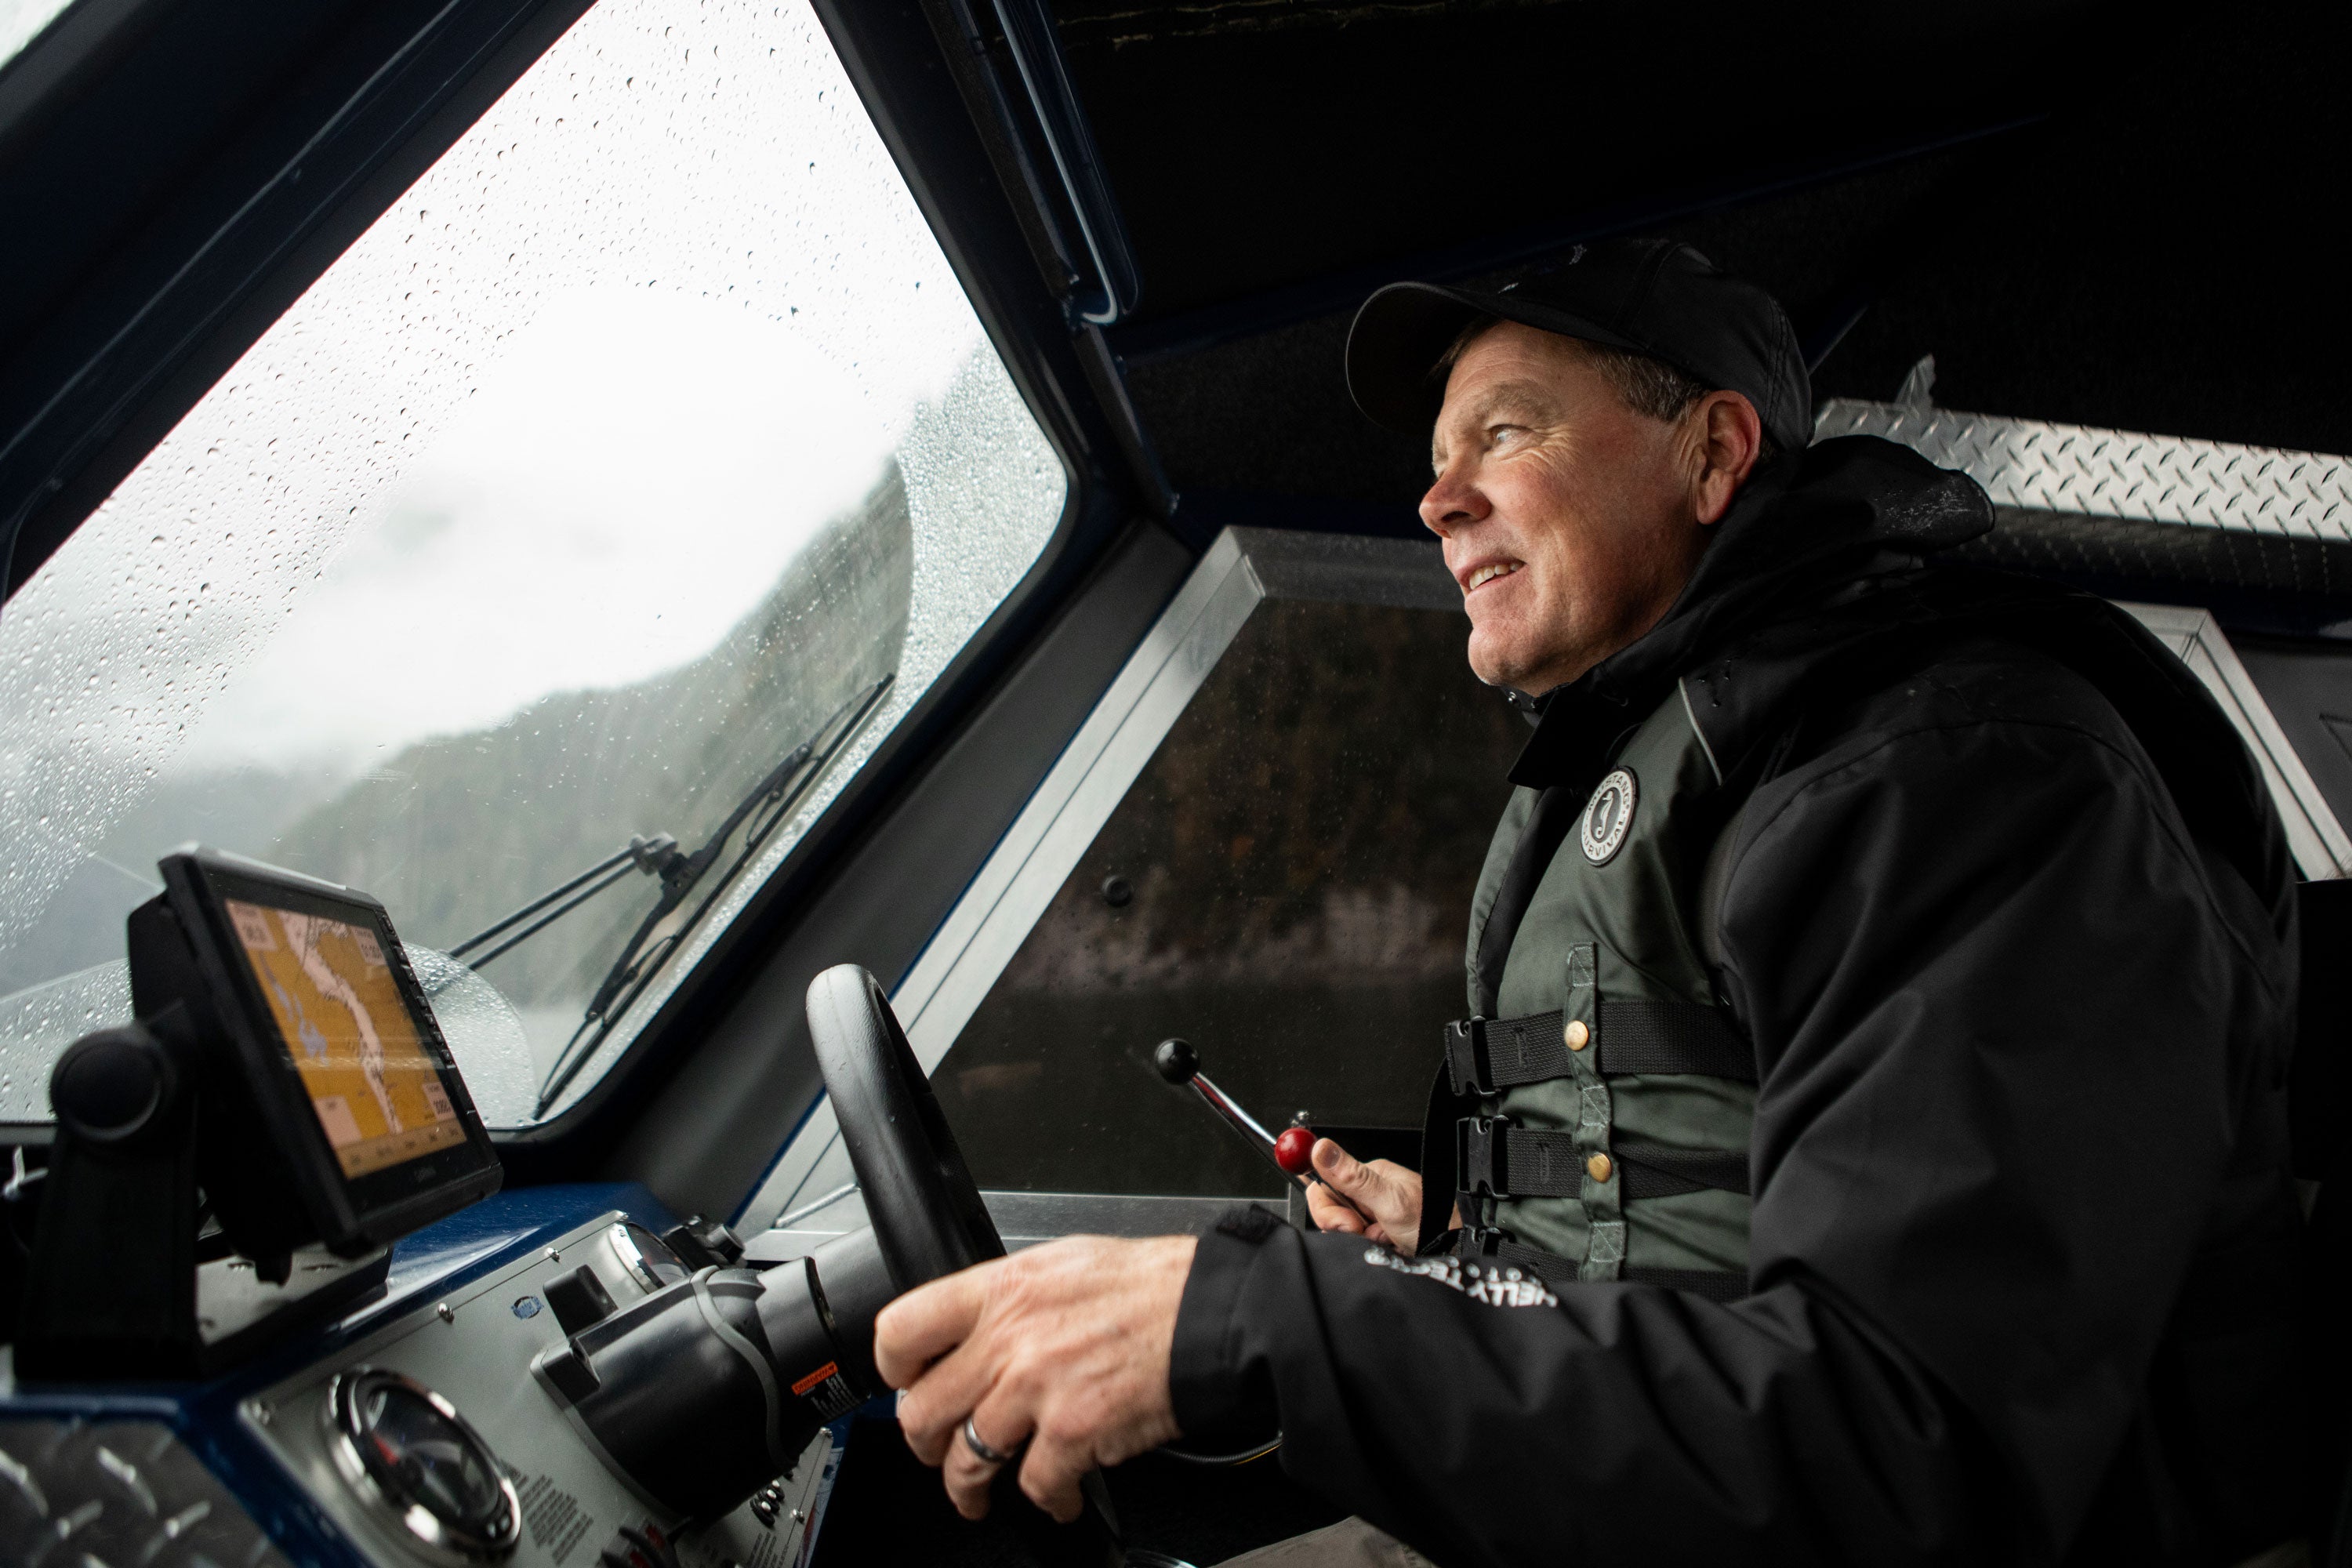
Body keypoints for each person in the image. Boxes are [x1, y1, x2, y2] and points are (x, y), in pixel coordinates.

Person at [874, 239, 2307, 1567]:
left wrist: (1272, 1321)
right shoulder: (1672, 758)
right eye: (1438, 462)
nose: (1436, 499)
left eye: (1504, 432)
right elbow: (1706, 1209)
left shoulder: (1964, 781)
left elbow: (1907, 1450)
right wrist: (1451, 1248)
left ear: (1713, 453)